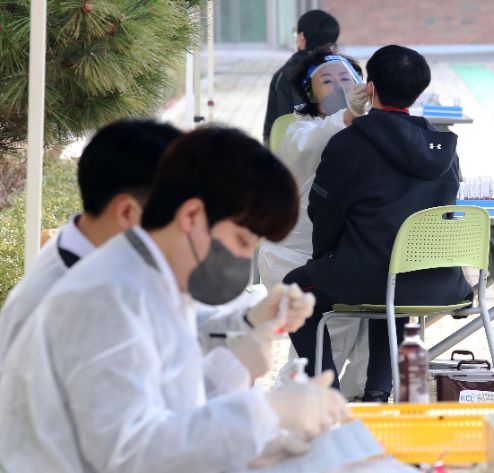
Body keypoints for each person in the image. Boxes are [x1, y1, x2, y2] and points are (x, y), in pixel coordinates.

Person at [0, 126, 349, 473]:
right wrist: (267, 413)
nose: (243, 259)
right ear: (191, 215)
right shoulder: (105, 297)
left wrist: (267, 434)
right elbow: (134, 454)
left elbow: (173, 399)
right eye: (242, 241)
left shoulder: (153, 276)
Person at [286, 45, 472, 402]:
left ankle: (330, 398)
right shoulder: (444, 148)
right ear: (418, 91)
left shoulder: (348, 143)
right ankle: (376, 392)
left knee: (294, 291)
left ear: (369, 89)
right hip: (437, 280)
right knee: (395, 280)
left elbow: (323, 212)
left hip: (366, 277)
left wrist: (327, 259)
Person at [0, 119, 181, 378]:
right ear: (127, 212)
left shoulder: (82, 256)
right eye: (181, 216)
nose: (189, 231)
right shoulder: (80, 305)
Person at [258, 47, 370, 399]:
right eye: (327, 81)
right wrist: (348, 115)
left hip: (340, 255)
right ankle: (291, 407)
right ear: (310, 94)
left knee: (365, 338)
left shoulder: (367, 128)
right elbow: (315, 144)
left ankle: (353, 403)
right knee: (326, 342)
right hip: (292, 257)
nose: (339, 85)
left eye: (346, 78)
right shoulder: (299, 131)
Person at [262, 9, 340, 144]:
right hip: (335, 148)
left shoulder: (285, 75)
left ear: (302, 37)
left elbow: (274, 125)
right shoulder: (345, 73)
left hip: (293, 149)